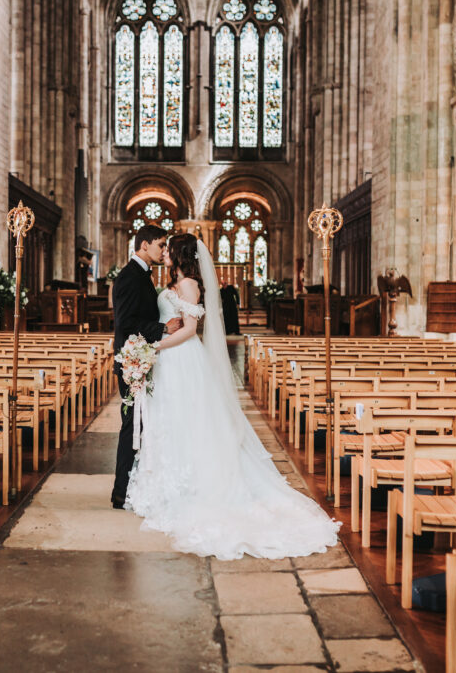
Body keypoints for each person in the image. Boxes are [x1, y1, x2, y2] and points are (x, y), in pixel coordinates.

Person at [124, 233, 340, 560]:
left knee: (190, 419)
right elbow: (170, 323)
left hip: (183, 358)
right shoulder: (176, 282)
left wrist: (152, 347)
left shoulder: (189, 285)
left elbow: (189, 330)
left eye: (169, 249)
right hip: (170, 361)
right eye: (163, 247)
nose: (164, 252)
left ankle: (192, 487)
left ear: (181, 254)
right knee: (171, 419)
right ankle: (166, 484)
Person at [110, 225, 183, 509]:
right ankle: (121, 492)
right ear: (144, 245)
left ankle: (131, 486)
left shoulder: (141, 275)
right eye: (161, 245)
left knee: (139, 423)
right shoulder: (129, 277)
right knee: (132, 424)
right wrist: (162, 327)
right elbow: (126, 324)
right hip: (132, 362)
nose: (164, 250)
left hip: (140, 358)